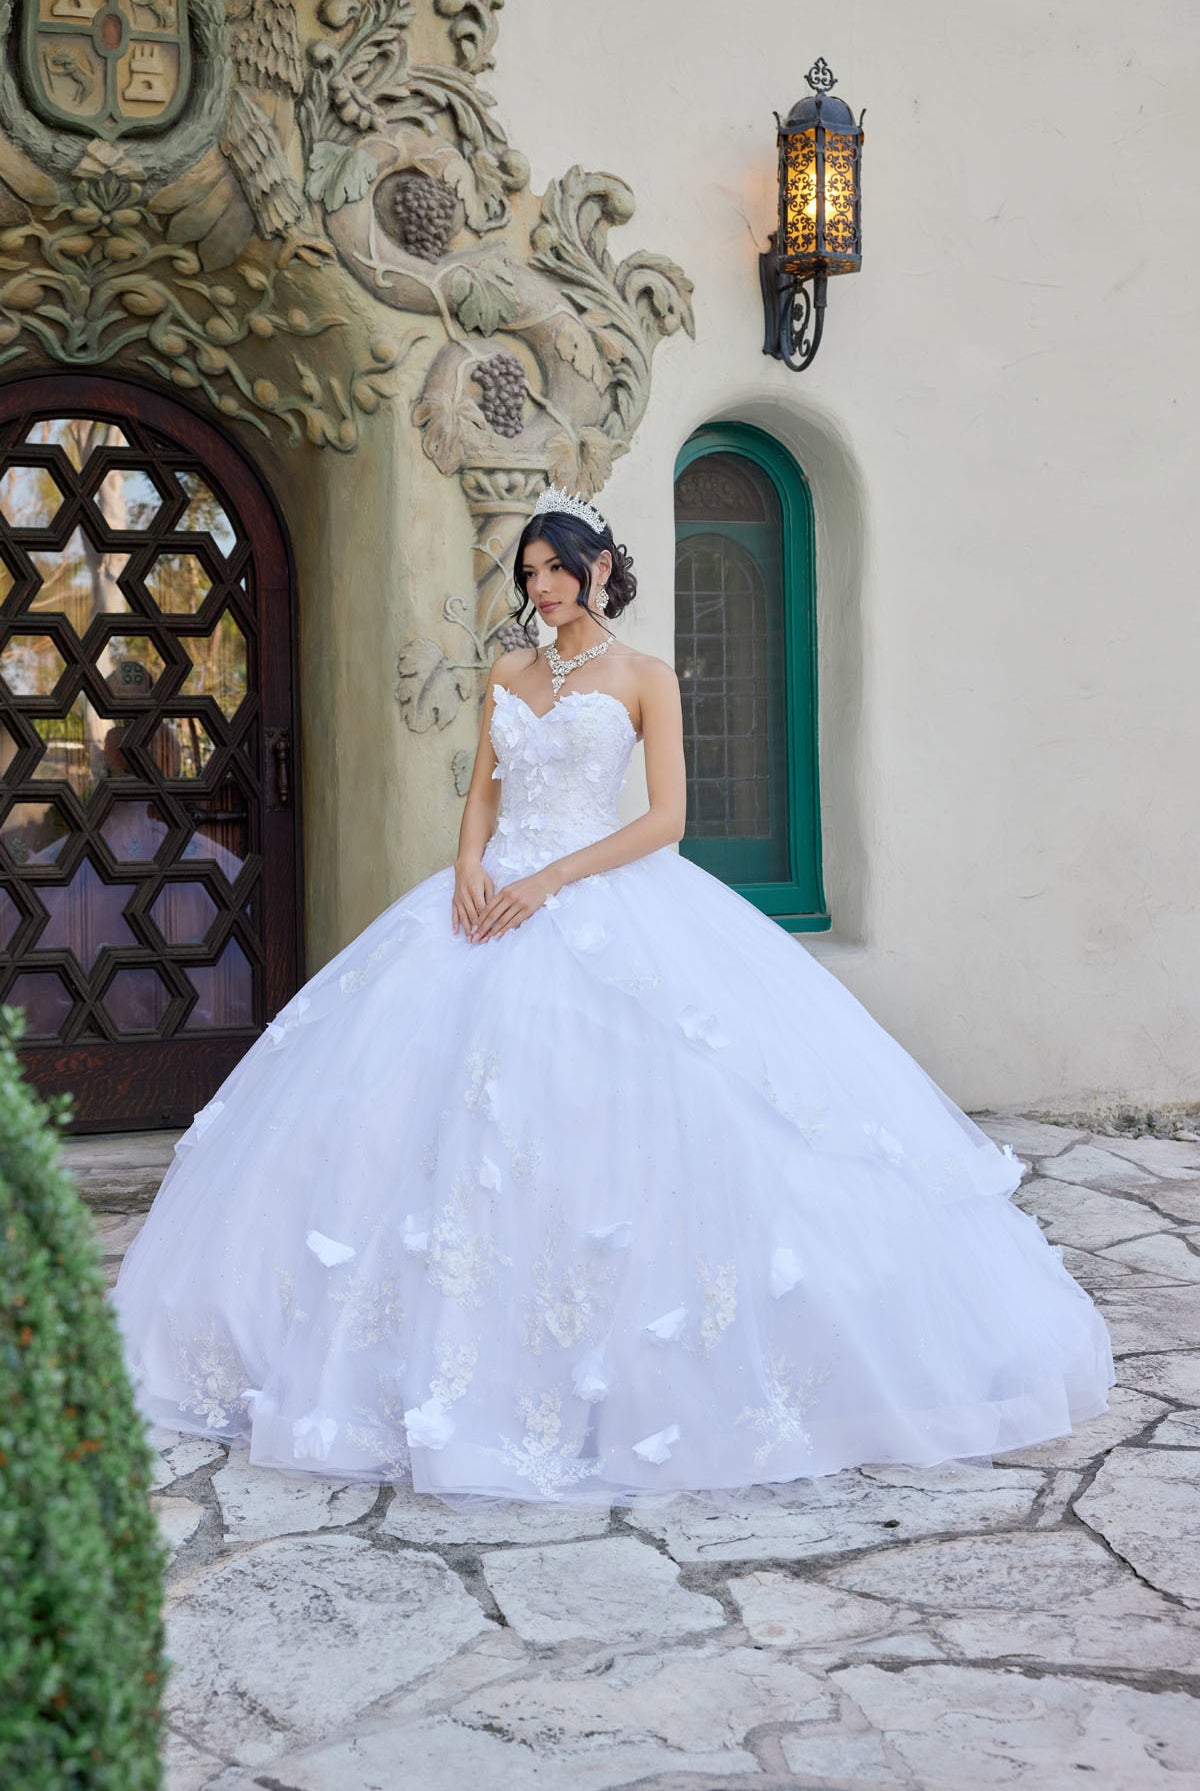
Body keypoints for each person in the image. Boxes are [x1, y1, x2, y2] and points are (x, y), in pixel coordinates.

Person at [112, 487, 1114, 1503]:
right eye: (529, 572)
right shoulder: (508, 670)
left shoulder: (644, 678)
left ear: (597, 568)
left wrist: (551, 879)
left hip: (593, 891)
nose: (541, 587)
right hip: (487, 898)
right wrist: (470, 865)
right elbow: (484, 791)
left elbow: (667, 820)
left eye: (556, 567)